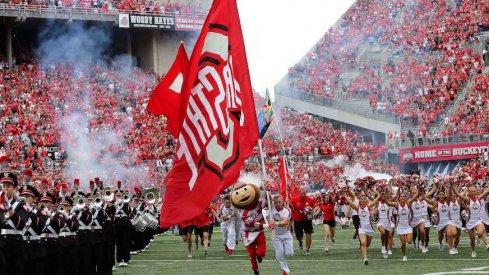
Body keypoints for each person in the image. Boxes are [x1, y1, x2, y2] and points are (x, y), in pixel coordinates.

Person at [345, 189, 381, 265]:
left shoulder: (369, 206)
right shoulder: (357, 208)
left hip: (370, 229)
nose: (363, 200)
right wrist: (344, 194)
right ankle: (365, 258)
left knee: (367, 244)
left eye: (365, 199)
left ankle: (364, 254)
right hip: (361, 228)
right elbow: (350, 202)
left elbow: (377, 199)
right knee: (363, 243)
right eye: (361, 199)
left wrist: (379, 193)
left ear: (366, 200)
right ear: (359, 200)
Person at [452, 185, 489, 257]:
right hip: (470, 221)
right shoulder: (467, 200)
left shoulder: (479, 198)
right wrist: (453, 188)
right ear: (469, 192)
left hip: (478, 220)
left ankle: (482, 241)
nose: (473, 193)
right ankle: (473, 250)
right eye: (472, 192)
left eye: (474, 191)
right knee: (472, 239)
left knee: (481, 232)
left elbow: (486, 191)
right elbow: (458, 195)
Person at [385, 189, 418, 262]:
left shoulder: (408, 203)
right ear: (399, 198)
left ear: (406, 197)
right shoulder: (397, 204)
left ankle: (406, 239)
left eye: (404, 196)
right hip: (400, 227)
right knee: (403, 243)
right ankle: (404, 255)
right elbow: (387, 202)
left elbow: (415, 196)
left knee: (409, 241)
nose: (403, 197)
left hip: (408, 226)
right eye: (401, 196)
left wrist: (419, 187)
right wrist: (383, 193)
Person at [270, 194, 293, 275]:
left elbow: (285, 222)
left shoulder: (286, 211)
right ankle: (286, 271)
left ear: (282, 202)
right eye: (276, 202)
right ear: (273, 203)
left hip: (286, 235)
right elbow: (266, 199)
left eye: (279, 202)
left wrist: (275, 223)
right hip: (276, 236)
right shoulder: (270, 209)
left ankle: (283, 248)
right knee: (279, 255)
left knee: (289, 253)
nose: (278, 204)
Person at [289, 186, 316, 255]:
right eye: (302, 193)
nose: (303, 195)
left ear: (306, 193)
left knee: (309, 234)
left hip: (307, 219)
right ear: (299, 193)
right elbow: (289, 207)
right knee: (298, 235)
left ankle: (307, 250)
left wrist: (311, 210)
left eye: (305, 193)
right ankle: (300, 241)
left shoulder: (310, 199)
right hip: (298, 220)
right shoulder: (294, 199)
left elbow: (314, 207)